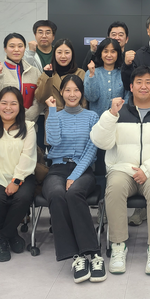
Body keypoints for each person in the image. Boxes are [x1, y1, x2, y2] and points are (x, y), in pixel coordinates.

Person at [91, 66, 150, 276]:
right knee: (114, 187)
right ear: (131, 87)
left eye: (148, 82)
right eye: (139, 82)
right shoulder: (116, 113)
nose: (143, 86)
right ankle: (118, 245)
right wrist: (111, 115)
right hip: (123, 170)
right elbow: (100, 141)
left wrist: (147, 170)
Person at [42, 76, 106, 283]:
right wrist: (52, 111)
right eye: (67, 90)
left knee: (74, 192)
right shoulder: (55, 115)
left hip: (83, 169)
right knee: (56, 194)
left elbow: (91, 150)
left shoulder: (92, 116)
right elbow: (53, 141)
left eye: (76, 90)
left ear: (82, 93)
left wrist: (74, 175)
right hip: (57, 168)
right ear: (61, 92)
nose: (72, 94)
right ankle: (76, 256)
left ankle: (93, 254)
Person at [0, 87, 36, 262]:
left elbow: (27, 156)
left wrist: (16, 181)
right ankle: (12, 235)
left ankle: (1, 238)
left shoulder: (29, 127)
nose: (8, 107)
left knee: (22, 198)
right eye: (4, 103)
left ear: (20, 106)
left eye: (13, 103)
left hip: (22, 175)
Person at [0, 33, 42, 122]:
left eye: (20, 46)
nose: (16, 50)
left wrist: (27, 117)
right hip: (2, 124)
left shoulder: (34, 72)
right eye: (12, 46)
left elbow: (40, 99)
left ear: (24, 48)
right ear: (5, 49)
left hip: (28, 123)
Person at [23, 19, 58, 152]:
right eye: (40, 32)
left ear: (53, 36)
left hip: (55, 105)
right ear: (35, 35)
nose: (44, 36)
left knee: (53, 142)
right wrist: (31, 53)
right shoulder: (29, 53)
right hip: (34, 104)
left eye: (48, 32)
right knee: (35, 145)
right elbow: (24, 70)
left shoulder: (59, 53)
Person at [36, 39, 87, 117]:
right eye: (59, 52)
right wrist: (48, 76)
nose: (63, 56)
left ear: (72, 54)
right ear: (54, 54)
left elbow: (84, 101)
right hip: (54, 116)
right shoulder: (46, 73)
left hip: (76, 116)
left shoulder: (80, 73)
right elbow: (41, 99)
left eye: (67, 52)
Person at [84, 38, 126, 115]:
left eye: (113, 51)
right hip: (96, 119)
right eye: (105, 51)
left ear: (118, 54)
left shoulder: (123, 74)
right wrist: (92, 76)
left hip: (118, 119)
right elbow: (91, 98)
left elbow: (127, 99)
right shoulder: (91, 72)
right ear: (100, 53)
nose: (109, 55)